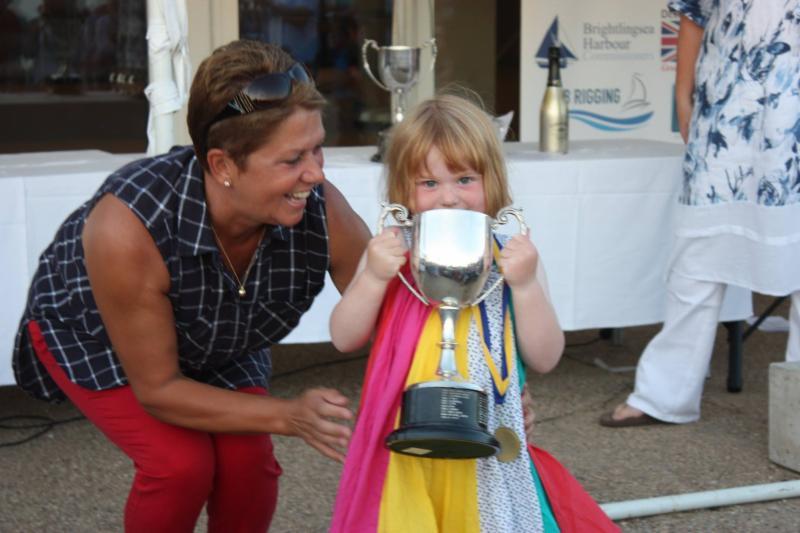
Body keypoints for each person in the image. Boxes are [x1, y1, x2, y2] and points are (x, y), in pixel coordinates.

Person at [12, 39, 370, 531]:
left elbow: (395, 313)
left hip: (219, 336)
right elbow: (159, 390)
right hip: (95, 336)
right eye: (291, 160)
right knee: (180, 466)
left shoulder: (321, 206)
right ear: (222, 166)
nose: (315, 173)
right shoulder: (128, 225)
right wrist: (289, 415)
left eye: (317, 148)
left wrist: (488, 378)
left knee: (248, 464)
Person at [328, 93, 618, 532]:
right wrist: (371, 278)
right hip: (406, 442)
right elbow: (343, 336)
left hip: (487, 449)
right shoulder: (392, 258)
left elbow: (546, 355)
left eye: (465, 179)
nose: (449, 197)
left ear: (493, 182)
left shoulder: (512, 260)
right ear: (403, 192)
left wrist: (525, 285)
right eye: (428, 184)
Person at [601, 0, 800, 427]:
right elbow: (693, 14)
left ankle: (795, 410)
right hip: (726, 114)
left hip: (793, 122)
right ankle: (663, 396)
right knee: (695, 259)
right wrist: (682, 94)